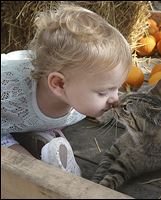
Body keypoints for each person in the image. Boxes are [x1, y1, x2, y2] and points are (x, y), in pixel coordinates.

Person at [1, 3, 132, 176]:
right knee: (24, 166)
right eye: (103, 92)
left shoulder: (78, 97)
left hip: (28, 119)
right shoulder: (9, 94)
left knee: (38, 129)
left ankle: (44, 137)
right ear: (59, 84)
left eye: (117, 88)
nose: (115, 99)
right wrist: (19, 155)